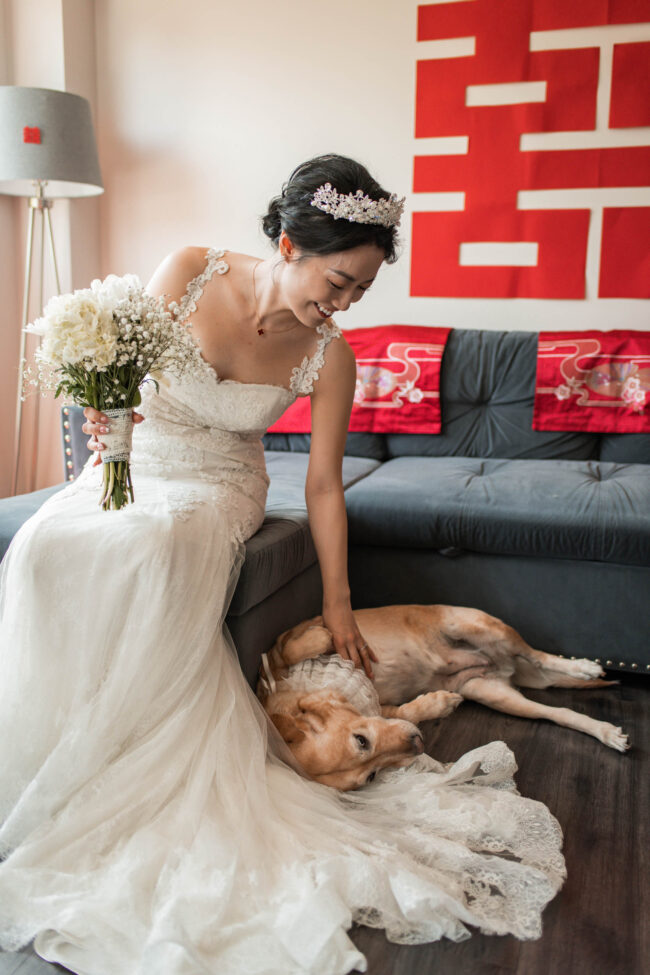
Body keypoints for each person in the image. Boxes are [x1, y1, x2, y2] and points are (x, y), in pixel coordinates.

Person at [0, 155, 565, 975]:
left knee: (149, 545)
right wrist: (104, 415)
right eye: (336, 282)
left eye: (358, 293)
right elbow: (121, 376)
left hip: (217, 483)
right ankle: (45, 754)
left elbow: (326, 487)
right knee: (44, 545)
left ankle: (116, 768)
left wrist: (340, 600)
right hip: (132, 460)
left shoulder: (329, 357)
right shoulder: (190, 272)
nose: (340, 305)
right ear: (291, 243)